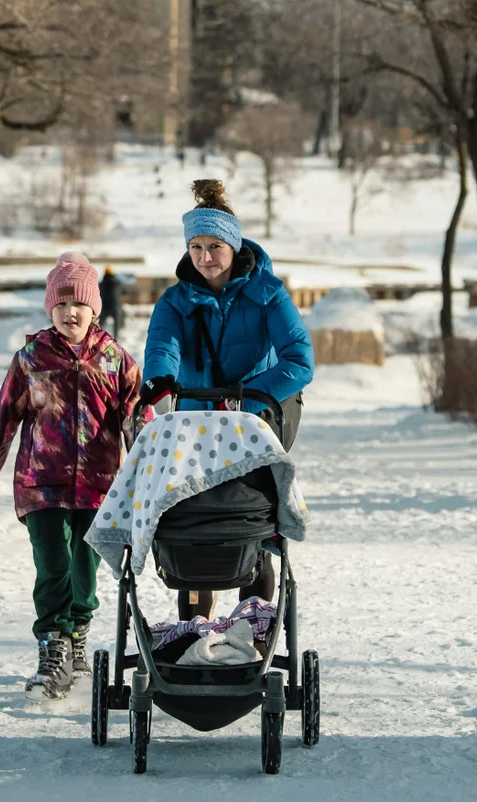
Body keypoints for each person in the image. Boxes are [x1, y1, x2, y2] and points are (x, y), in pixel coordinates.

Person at [0, 252, 144, 701]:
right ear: (49, 309)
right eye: (60, 304)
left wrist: (153, 485)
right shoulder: (31, 359)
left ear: (94, 308)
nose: (69, 312)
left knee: (85, 570)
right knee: (53, 565)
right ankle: (53, 648)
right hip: (41, 485)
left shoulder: (117, 360)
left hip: (99, 487)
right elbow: (0, 424)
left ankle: (77, 635)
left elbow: (139, 424)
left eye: (78, 304)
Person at [140, 179, 314, 621]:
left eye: (215, 247)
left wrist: (247, 403)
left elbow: (299, 359)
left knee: (251, 521)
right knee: (193, 518)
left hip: (255, 424)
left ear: (233, 246)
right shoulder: (175, 301)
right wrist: (160, 379)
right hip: (197, 425)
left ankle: (252, 623)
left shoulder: (267, 293)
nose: (205, 257)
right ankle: (195, 627)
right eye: (196, 247)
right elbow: (163, 344)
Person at [99, 265, 123, 341]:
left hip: (104, 307)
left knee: (100, 325)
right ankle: (116, 338)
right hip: (115, 306)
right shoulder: (117, 283)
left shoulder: (101, 284)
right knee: (117, 324)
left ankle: (99, 338)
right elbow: (123, 292)